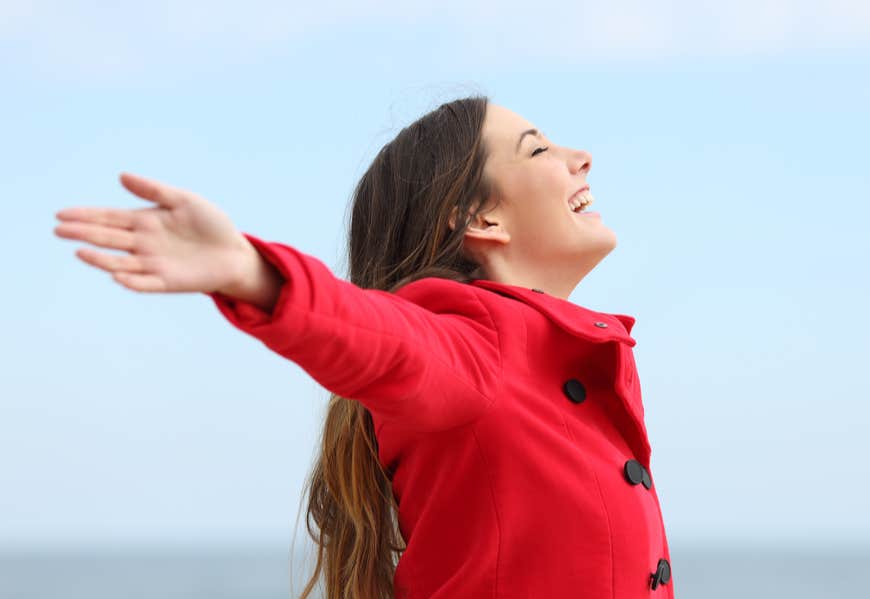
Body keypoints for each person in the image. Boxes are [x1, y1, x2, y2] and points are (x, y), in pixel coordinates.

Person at [52, 96, 674, 599]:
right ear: (481, 220)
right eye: (539, 149)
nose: (582, 157)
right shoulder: (474, 341)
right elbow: (385, 339)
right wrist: (253, 275)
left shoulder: (560, 357)